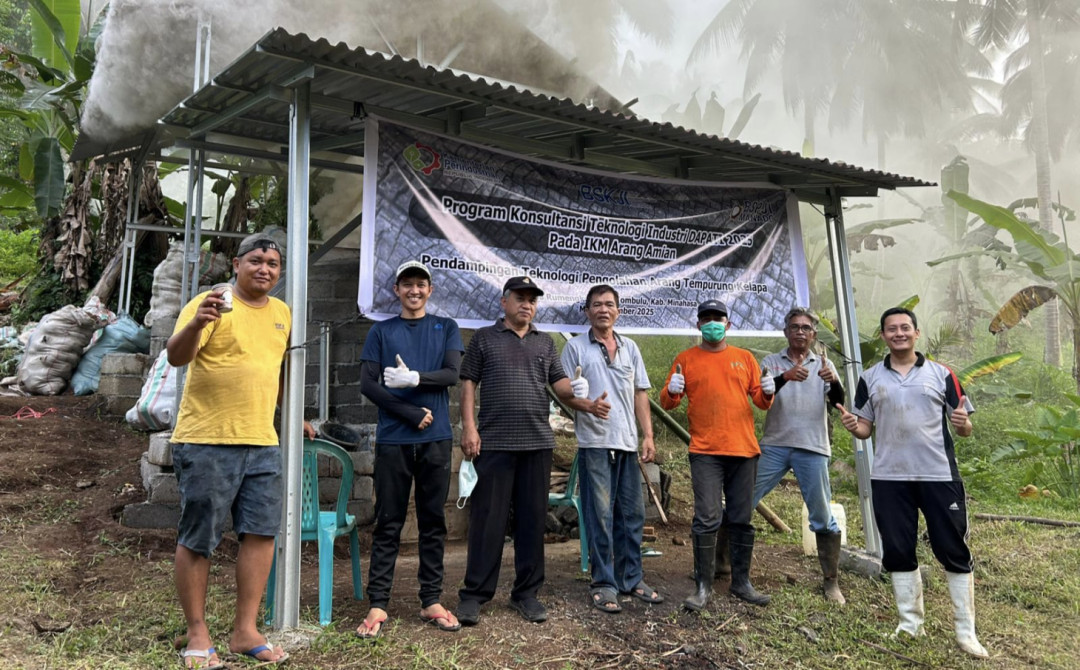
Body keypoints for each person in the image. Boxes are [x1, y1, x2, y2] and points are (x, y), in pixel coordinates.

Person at [167, 233, 314, 669]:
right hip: (208, 439)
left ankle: (245, 630)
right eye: (256, 260)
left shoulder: (283, 313)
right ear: (236, 264)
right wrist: (195, 324)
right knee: (200, 537)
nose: (265, 268)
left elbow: (277, 369)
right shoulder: (210, 302)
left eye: (272, 263)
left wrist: (293, 416)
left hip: (263, 441)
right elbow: (177, 357)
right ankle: (197, 634)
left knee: (261, 533)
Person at [457, 276, 611, 626]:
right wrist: (469, 427)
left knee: (531, 522)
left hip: (537, 444)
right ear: (504, 302)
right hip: (494, 444)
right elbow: (468, 383)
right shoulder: (484, 339)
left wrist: (585, 400)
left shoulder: (545, 344)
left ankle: (526, 594)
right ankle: (475, 595)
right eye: (520, 298)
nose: (527, 305)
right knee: (487, 523)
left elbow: (562, 388)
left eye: (532, 300)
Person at [837, 307, 988, 658]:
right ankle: (909, 624)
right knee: (899, 549)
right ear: (883, 335)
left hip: (938, 475)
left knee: (953, 549)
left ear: (917, 333)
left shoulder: (942, 374)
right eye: (892, 329)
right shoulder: (870, 378)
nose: (899, 333)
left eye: (905, 327)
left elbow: (964, 429)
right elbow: (865, 427)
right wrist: (852, 426)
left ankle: (966, 632)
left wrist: (964, 422)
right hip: (889, 477)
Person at [355, 260, 464, 639]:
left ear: (429, 290)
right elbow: (369, 386)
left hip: (436, 440)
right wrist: (410, 411)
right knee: (389, 522)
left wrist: (415, 378)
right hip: (394, 439)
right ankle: (378, 604)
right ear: (396, 291)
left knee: (434, 522)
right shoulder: (381, 332)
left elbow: (452, 374)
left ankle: (431, 599)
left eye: (421, 285)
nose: (414, 291)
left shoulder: (445, 328)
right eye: (407, 285)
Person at [660, 299, 773, 610]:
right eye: (706, 319)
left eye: (717, 318)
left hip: (744, 449)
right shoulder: (686, 359)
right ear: (698, 325)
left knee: (741, 517)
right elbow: (669, 403)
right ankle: (703, 585)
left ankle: (741, 582)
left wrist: (769, 389)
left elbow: (761, 403)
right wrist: (671, 388)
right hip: (705, 451)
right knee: (707, 516)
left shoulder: (744, 358)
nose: (712, 323)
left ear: (728, 324)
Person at [560, 285, 662, 614]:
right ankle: (603, 583)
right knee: (599, 516)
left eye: (609, 304)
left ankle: (631, 579)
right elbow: (563, 392)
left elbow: (640, 394)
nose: (603, 309)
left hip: (627, 443)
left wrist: (647, 435)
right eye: (596, 305)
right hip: (594, 443)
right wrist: (588, 406)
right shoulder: (575, 348)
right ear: (586, 311)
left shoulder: (630, 347)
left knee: (632, 514)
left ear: (618, 311)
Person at [752, 307, 847, 604]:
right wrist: (785, 377)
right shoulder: (770, 362)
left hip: (813, 446)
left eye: (806, 328)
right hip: (775, 444)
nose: (800, 332)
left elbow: (838, 403)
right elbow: (762, 395)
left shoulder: (825, 364)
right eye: (795, 327)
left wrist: (832, 381)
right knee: (743, 499)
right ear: (785, 332)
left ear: (814, 334)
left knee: (821, 513)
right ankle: (724, 564)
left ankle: (831, 581)